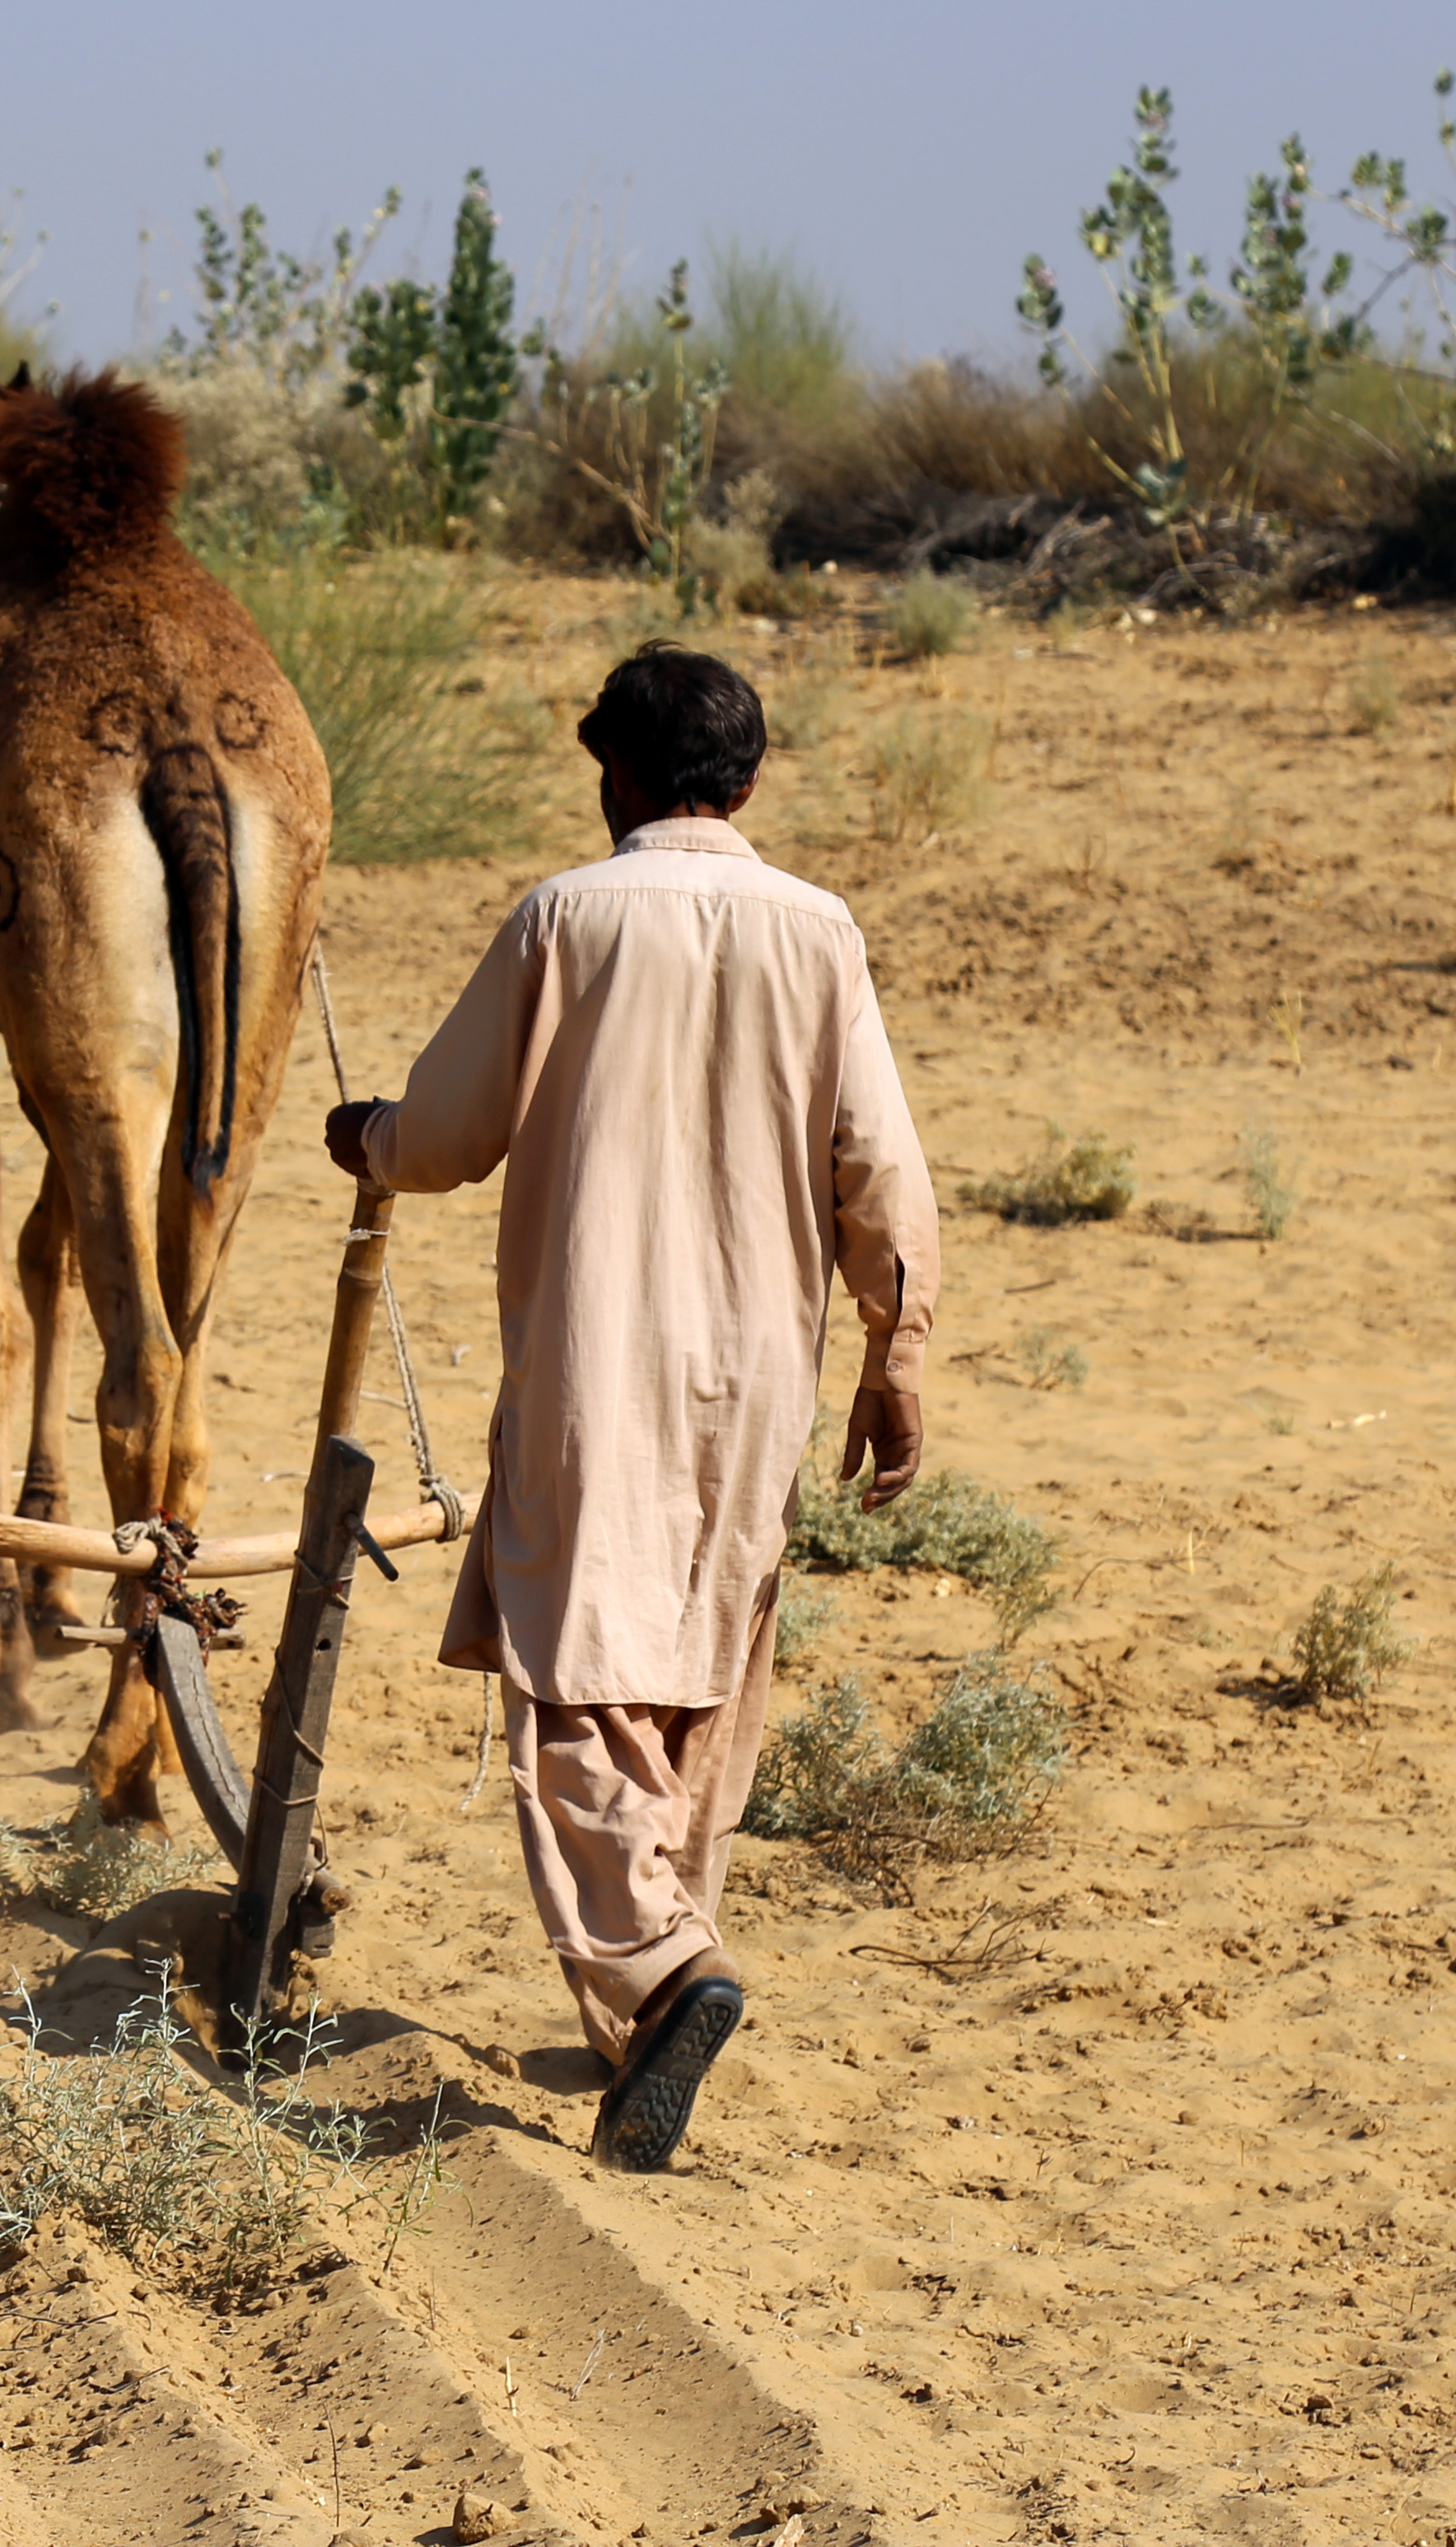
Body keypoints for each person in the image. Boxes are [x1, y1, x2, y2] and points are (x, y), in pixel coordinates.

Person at [324, 642, 938, 2175]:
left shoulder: (566, 915)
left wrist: (368, 1137)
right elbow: (881, 1168)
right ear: (745, 780)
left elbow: (452, 1133)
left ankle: (666, 1967)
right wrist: (895, 1348)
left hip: (598, 1359)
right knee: (698, 1654)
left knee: (573, 1663)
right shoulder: (820, 929)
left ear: (614, 774)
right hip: (755, 1372)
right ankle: (647, 1994)